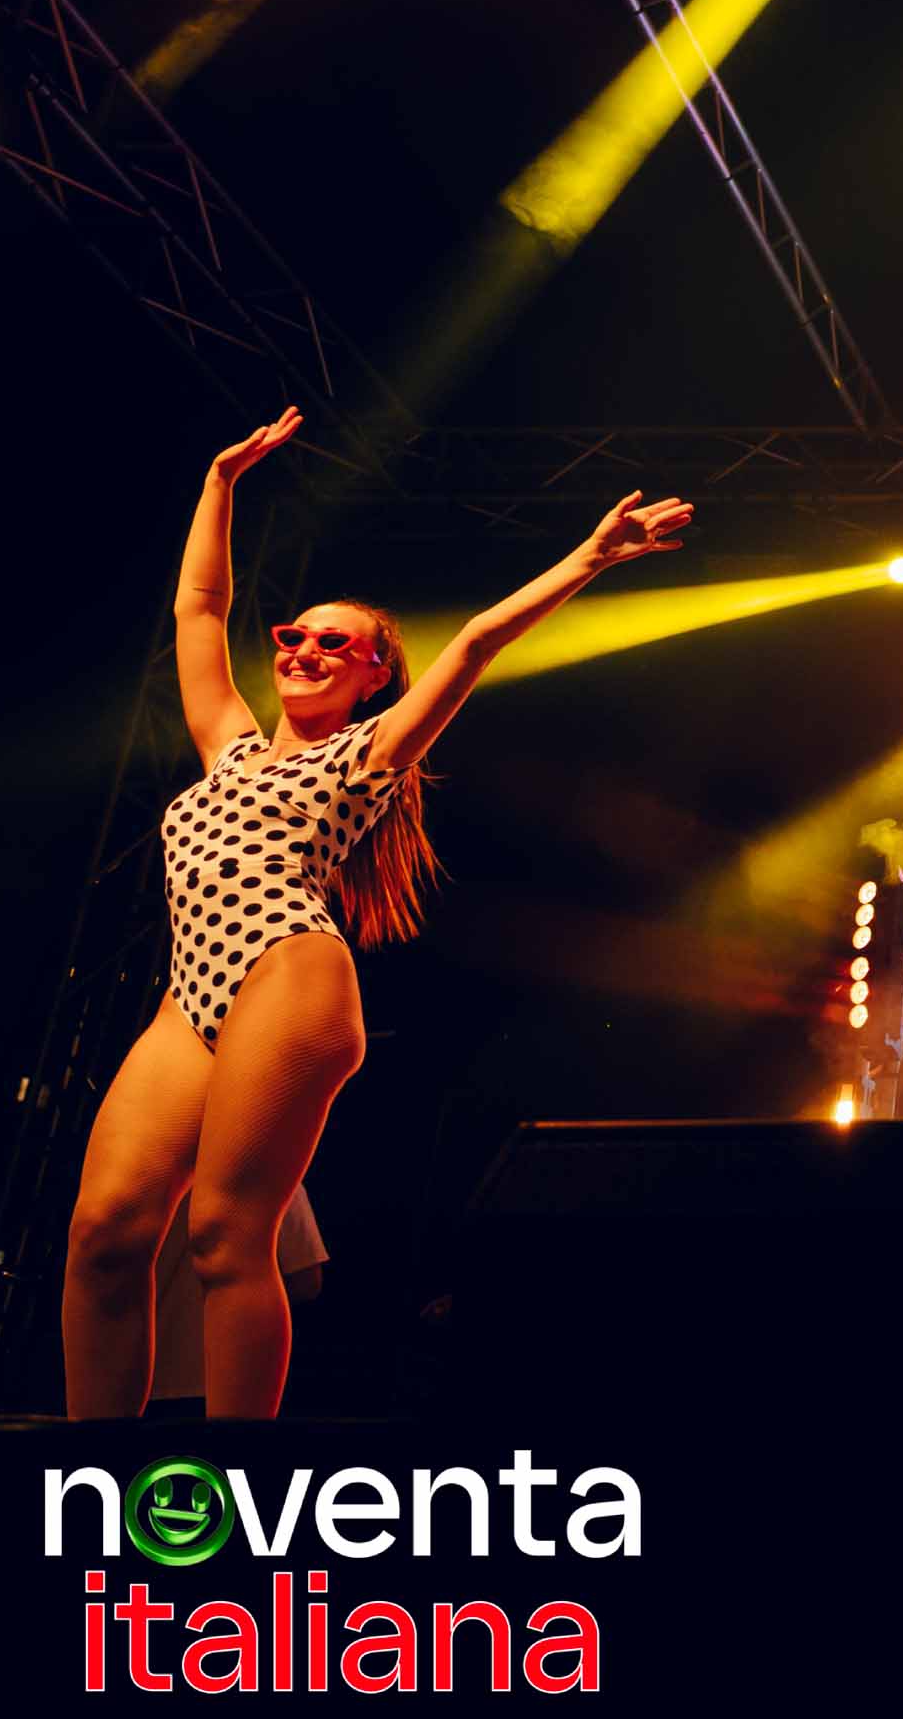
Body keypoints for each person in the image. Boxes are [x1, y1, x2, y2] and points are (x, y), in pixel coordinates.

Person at [61, 406, 691, 1418]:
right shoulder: (226, 744)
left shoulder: (367, 753)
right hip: (191, 995)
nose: (305, 650)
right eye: (295, 635)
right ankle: (85, 1468)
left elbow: (477, 640)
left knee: (224, 1235)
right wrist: (221, 481)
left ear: (372, 675)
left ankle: (233, 1481)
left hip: (287, 972)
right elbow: (199, 608)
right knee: (104, 1234)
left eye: (335, 643)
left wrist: (592, 556)